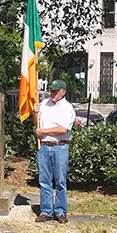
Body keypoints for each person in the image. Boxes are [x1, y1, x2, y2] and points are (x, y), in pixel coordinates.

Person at [33, 80, 76, 224]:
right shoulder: (44, 104)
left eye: (55, 91)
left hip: (60, 147)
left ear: (63, 92)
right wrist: (35, 112)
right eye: (51, 90)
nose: (52, 93)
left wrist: (43, 131)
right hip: (44, 146)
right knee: (44, 181)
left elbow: (63, 129)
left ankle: (60, 211)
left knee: (60, 181)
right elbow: (36, 124)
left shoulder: (67, 107)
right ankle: (46, 211)